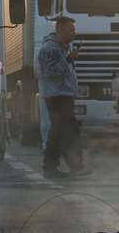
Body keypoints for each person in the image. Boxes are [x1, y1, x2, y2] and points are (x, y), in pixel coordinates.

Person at [37, 16, 91, 178]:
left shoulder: (62, 47)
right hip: (56, 96)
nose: (74, 33)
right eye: (71, 30)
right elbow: (50, 72)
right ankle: (54, 167)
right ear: (60, 29)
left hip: (63, 95)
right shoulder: (50, 49)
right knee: (61, 132)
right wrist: (68, 59)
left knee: (67, 132)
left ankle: (73, 165)